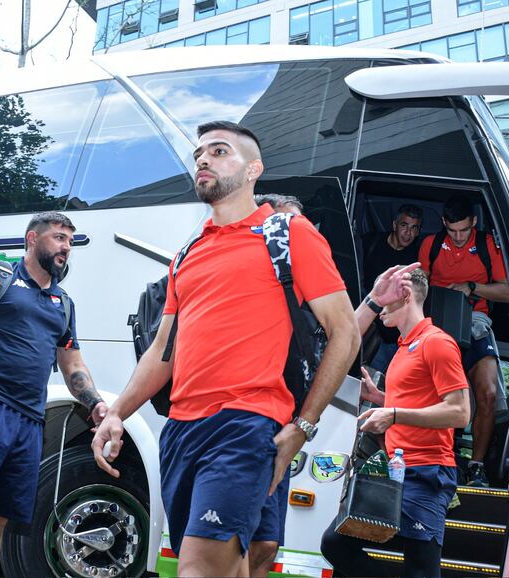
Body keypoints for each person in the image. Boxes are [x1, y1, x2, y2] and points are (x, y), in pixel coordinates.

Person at [92, 120, 360, 577]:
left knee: (200, 566)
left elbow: (346, 332)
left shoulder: (289, 234)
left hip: (245, 423)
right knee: (251, 558)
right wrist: (117, 411)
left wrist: (304, 425)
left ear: (253, 169)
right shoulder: (188, 252)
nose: (202, 159)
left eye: (218, 152)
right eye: (199, 154)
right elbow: (163, 349)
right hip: (180, 430)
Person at [0, 212, 108, 578]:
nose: (65, 248)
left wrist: (95, 402)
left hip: (29, 419)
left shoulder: (64, 303)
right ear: (32, 239)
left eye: (69, 242)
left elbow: (73, 363)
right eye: (59, 238)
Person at [321, 265, 470, 578]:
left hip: (428, 473)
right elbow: (422, 401)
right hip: (399, 471)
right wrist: (382, 400)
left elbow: (460, 412)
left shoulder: (437, 343)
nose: (379, 307)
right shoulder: (404, 349)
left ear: (403, 295)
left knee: (419, 570)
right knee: (335, 543)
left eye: (384, 297)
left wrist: (394, 414)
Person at [418, 195, 509, 487]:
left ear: (473, 222)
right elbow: (418, 285)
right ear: (445, 223)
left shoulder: (486, 246)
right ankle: (439, 458)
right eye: (452, 230)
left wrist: (472, 287)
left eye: (463, 230)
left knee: (488, 393)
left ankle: (477, 466)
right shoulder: (431, 244)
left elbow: (507, 292)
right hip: (438, 326)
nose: (457, 237)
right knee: (436, 397)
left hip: (476, 322)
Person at [249, 192, 306, 577]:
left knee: (268, 543)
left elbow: (339, 336)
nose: (291, 235)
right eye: (284, 225)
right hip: (247, 423)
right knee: (235, 540)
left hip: (282, 426)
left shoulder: (298, 290)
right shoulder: (251, 287)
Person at [362, 205, 423, 374]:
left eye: (414, 228)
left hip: (396, 337)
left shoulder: (416, 258)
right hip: (369, 326)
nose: (408, 233)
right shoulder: (370, 243)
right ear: (395, 225)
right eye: (404, 225)